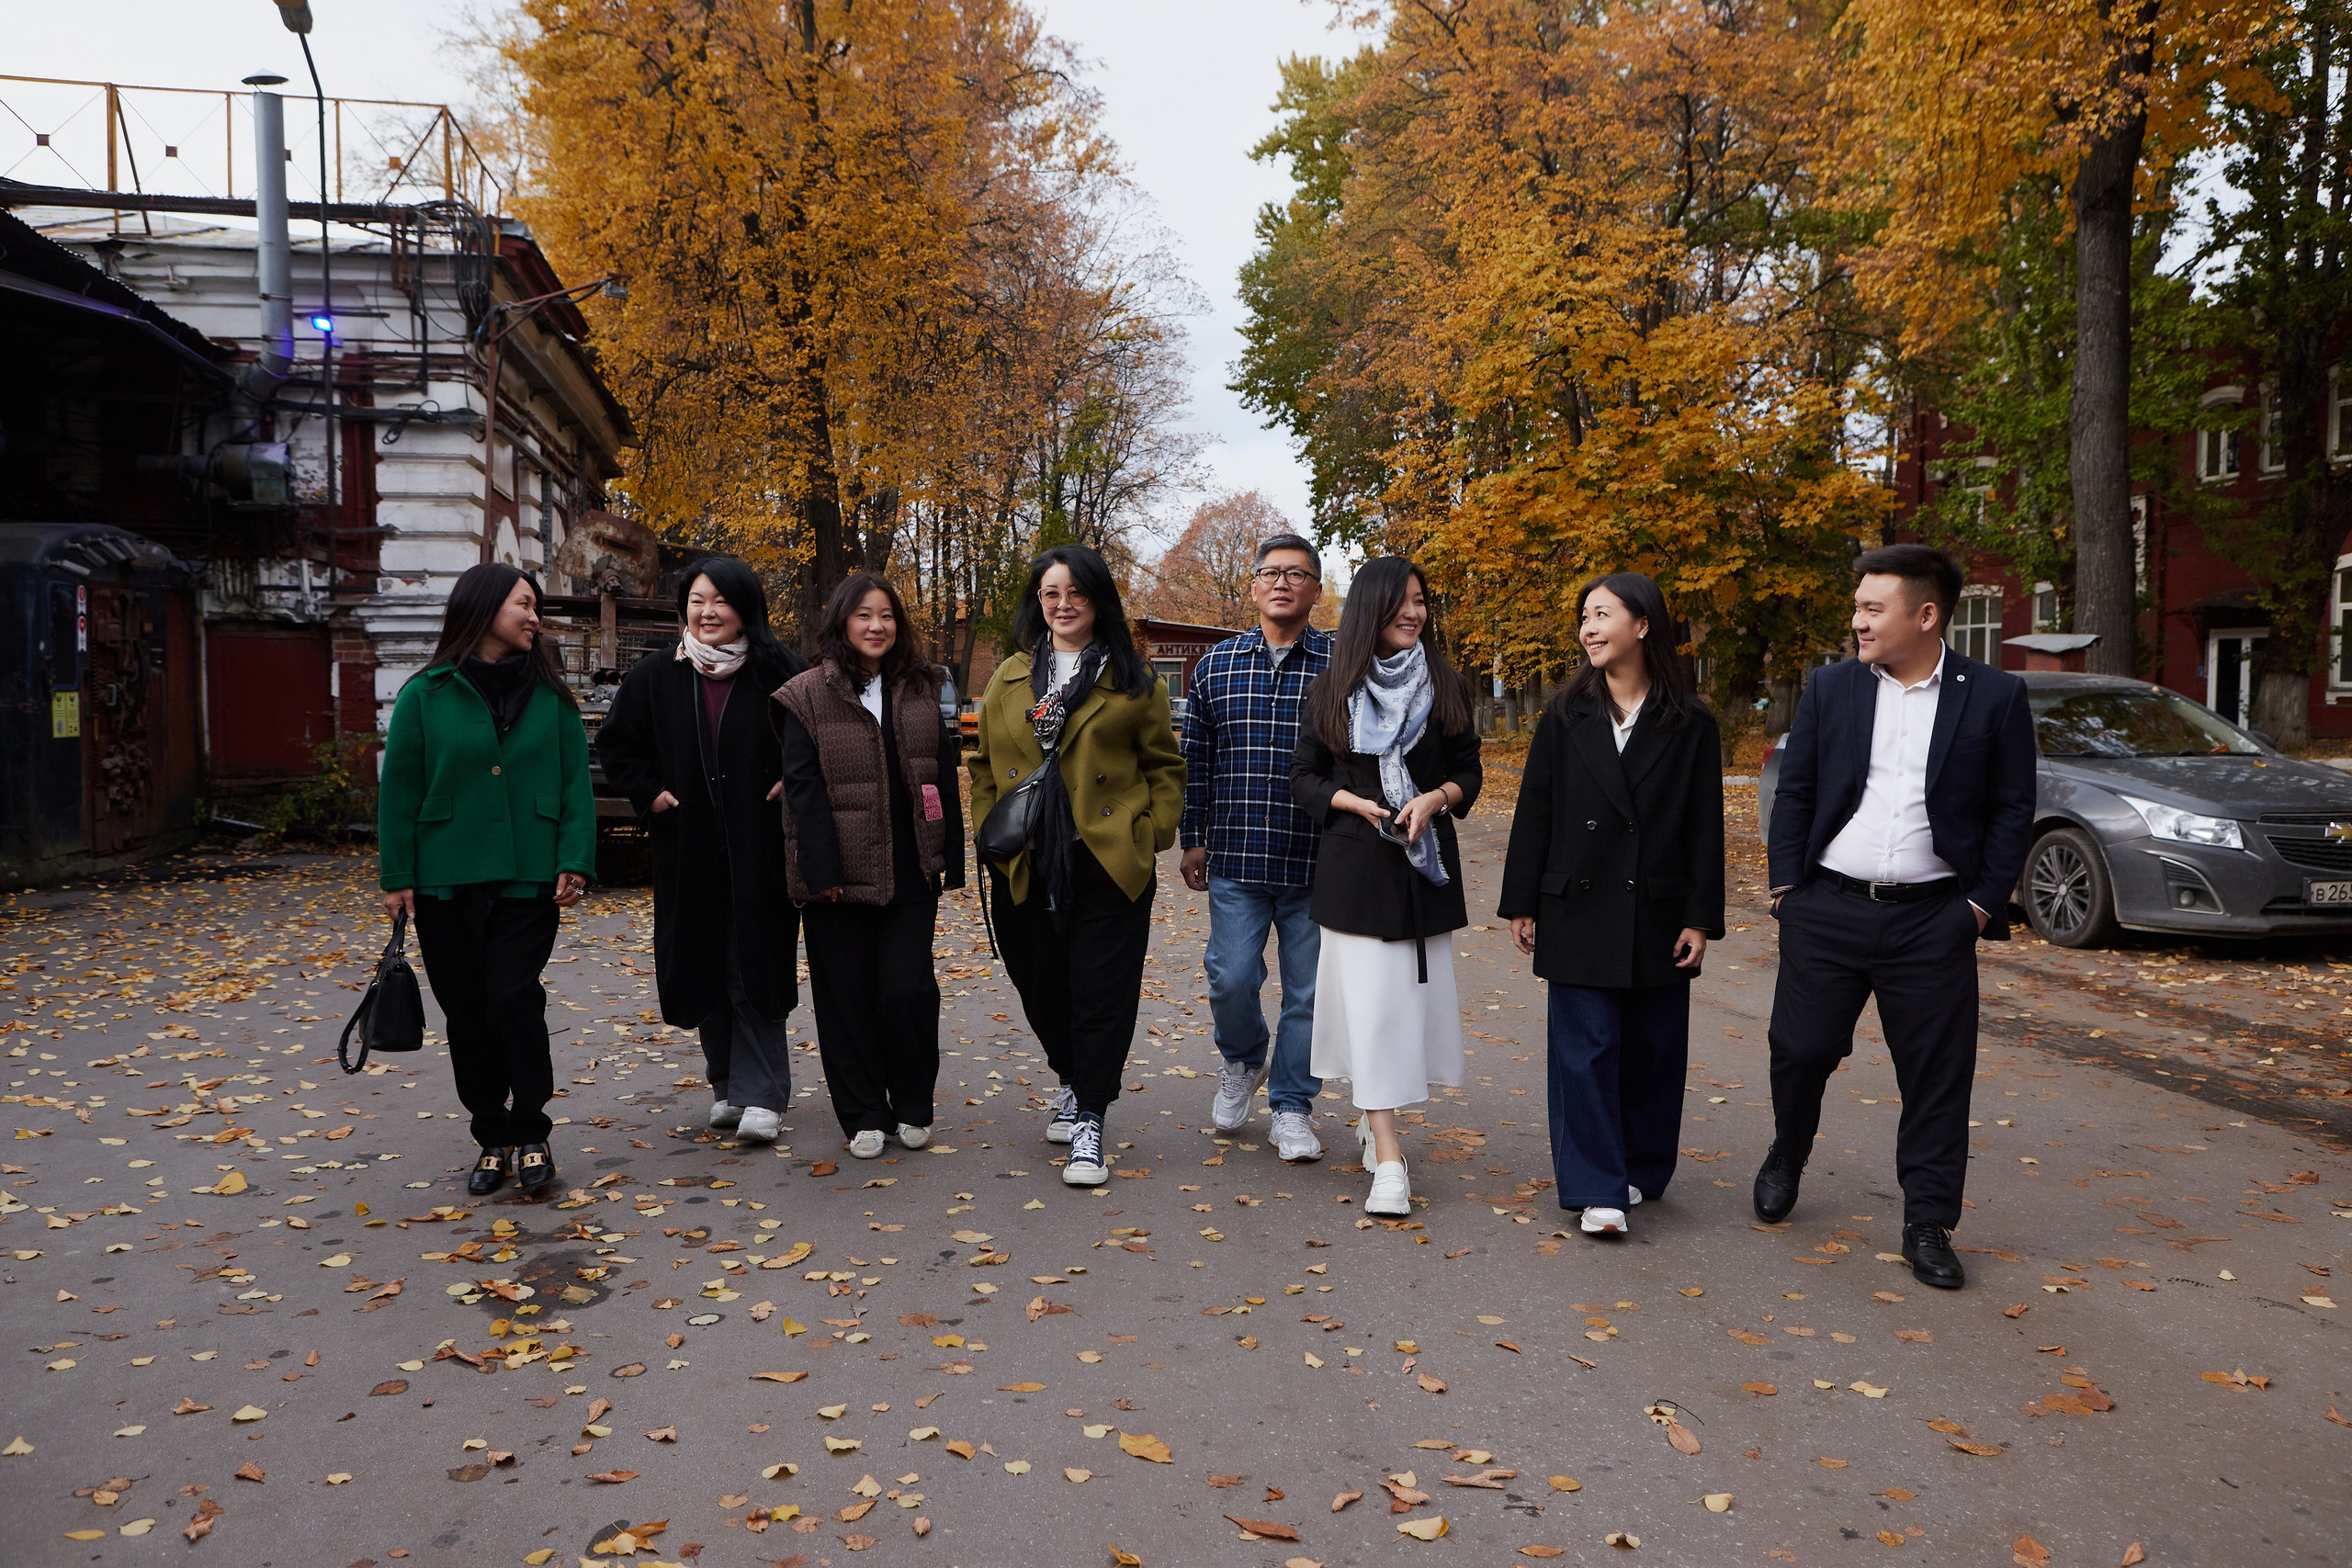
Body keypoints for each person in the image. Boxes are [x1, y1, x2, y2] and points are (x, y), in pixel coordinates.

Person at [1758, 544, 2036, 1290]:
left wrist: (1978, 906)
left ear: (1926, 615)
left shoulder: (1995, 696)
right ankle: (1789, 1147)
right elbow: (1796, 789)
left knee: (1938, 1075)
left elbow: (2013, 809)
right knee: (1800, 1048)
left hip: (1934, 920)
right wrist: (1788, 888)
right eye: (1857, 606)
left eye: (1872, 608)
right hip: (1828, 907)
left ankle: (1927, 1222)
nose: (1858, 620)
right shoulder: (1832, 687)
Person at [1497, 573, 1724, 1238]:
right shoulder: (1565, 714)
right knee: (1586, 1049)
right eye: (1584, 617)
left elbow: (1704, 825)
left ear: (1642, 625)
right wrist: (1523, 900)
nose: (1588, 629)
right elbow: (1536, 810)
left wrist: (1699, 917)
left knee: (1654, 1050)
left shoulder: (1691, 721)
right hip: (1578, 902)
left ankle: (1642, 1167)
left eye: (1602, 614)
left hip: (1658, 906)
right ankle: (1596, 1187)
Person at [970, 544, 1183, 1190]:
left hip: (1108, 858)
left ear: (1098, 599)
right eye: (1051, 593)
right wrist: (988, 831)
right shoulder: (1008, 677)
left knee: (1101, 991)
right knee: (1039, 982)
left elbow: (1164, 767)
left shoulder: (1134, 681)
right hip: (1026, 859)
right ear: (1037, 602)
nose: (1063, 605)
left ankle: (1090, 1112)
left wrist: (1149, 833)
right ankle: (1071, 1076)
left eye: (1076, 592)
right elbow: (983, 766)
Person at [379, 562, 594, 1198]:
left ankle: (531, 1130)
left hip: (529, 876)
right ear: (484, 607)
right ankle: (492, 1137)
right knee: (467, 1014)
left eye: (535, 606)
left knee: (512, 999)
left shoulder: (552, 697)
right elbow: (400, 790)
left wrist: (575, 857)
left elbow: (575, 784)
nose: (534, 616)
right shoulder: (426, 694)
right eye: (523, 604)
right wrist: (398, 875)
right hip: (445, 878)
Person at [1290, 556, 1481, 1217]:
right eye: (1401, 601)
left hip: (1422, 877)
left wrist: (1435, 798)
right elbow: (1305, 777)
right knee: (1371, 1014)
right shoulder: (1332, 688)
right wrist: (1353, 802)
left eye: (1421, 600)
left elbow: (1469, 773)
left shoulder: (1446, 684)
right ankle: (1391, 1159)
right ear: (1371, 608)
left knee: (1401, 1014)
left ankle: (1376, 1126)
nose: (1414, 612)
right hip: (1355, 877)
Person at [596, 558, 808, 1145]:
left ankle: (764, 1094)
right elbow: (618, 745)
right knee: (704, 965)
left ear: (745, 608)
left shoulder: (779, 671)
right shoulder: (657, 674)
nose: (708, 612)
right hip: (688, 851)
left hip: (758, 849)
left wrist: (792, 779)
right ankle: (729, 1088)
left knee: (753, 966)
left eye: (720, 600)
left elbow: (817, 736)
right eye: (697, 600)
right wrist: (650, 794)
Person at [774, 571, 966, 1158]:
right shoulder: (805, 694)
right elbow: (802, 789)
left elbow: (941, 774)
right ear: (842, 621)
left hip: (911, 868)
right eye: (864, 615)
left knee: (907, 989)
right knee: (845, 997)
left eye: (886, 615)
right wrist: (821, 873)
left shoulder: (923, 687)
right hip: (836, 877)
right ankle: (862, 1114)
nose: (877, 626)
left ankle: (912, 1103)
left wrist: (951, 857)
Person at [1179, 533, 1333, 1162]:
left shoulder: (1341, 663)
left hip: (1317, 858)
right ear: (1252, 586)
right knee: (1231, 976)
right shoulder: (1216, 665)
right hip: (1237, 856)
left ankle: (1292, 1106)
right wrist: (1192, 837)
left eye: (1296, 574)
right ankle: (1243, 1059)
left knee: (1309, 994)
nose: (1282, 583)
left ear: (1316, 590)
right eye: (1271, 572)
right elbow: (1196, 760)